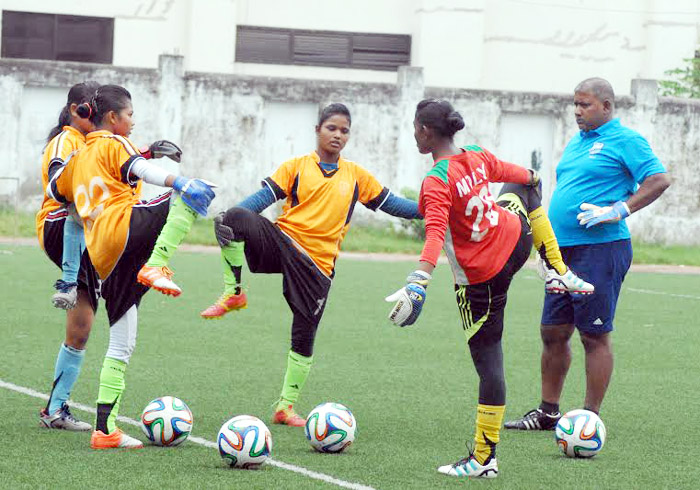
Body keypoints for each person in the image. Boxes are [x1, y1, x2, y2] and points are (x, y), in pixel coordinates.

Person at [384, 99, 592, 479]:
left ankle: (483, 460)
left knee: (489, 363)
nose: (414, 134)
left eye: (416, 128)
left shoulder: (436, 180)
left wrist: (417, 283)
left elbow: (434, 236)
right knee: (522, 185)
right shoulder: (477, 155)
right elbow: (527, 176)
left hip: (482, 279)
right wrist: (533, 183)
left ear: (427, 132)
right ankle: (557, 268)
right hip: (517, 242)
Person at [200, 103, 423, 426]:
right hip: (282, 242)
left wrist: (433, 208)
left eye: (344, 130)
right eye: (331, 127)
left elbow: (395, 206)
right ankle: (233, 293)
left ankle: (285, 407)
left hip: (317, 265)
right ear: (317, 129)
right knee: (234, 218)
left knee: (304, 334)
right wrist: (227, 217)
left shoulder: (356, 175)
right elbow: (262, 199)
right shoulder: (296, 166)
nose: (338, 135)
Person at [48, 84, 216, 449]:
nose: (133, 122)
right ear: (112, 117)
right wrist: (180, 180)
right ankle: (157, 264)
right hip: (125, 230)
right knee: (194, 189)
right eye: (130, 115)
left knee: (122, 343)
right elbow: (143, 168)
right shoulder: (113, 141)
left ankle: (105, 431)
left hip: (104, 254)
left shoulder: (78, 155)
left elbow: (55, 189)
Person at [504, 77, 671, 431]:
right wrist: (546, 246)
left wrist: (620, 210)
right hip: (561, 252)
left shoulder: (626, 140)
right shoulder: (577, 143)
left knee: (593, 335)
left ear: (607, 107)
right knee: (552, 332)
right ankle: (548, 412)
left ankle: (588, 420)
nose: (577, 111)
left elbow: (659, 179)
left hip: (601, 249)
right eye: (575, 104)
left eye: (585, 105)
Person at [36, 82, 101, 431]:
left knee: (83, 324)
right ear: (80, 110)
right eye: (94, 107)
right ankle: (55, 409)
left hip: (83, 234)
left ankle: (55, 409)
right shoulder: (66, 141)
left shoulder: (92, 143)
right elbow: (58, 186)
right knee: (83, 322)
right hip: (60, 226)